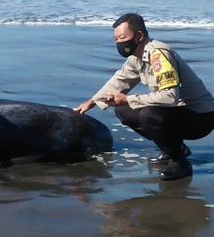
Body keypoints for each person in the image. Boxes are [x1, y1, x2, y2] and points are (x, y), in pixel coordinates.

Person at [74, 13, 214, 181]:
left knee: (148, 114)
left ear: (139, 36)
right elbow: (119, 80)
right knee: (124, 111)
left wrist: (127, 99)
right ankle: (174, 150)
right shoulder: (136, 56)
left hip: (200, 117)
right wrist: (91, 102)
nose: (119, 43)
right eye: (116, 39)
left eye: (123, 37)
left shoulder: (158, 54)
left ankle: (180, 163)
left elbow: (169, 97)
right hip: (176, 112)